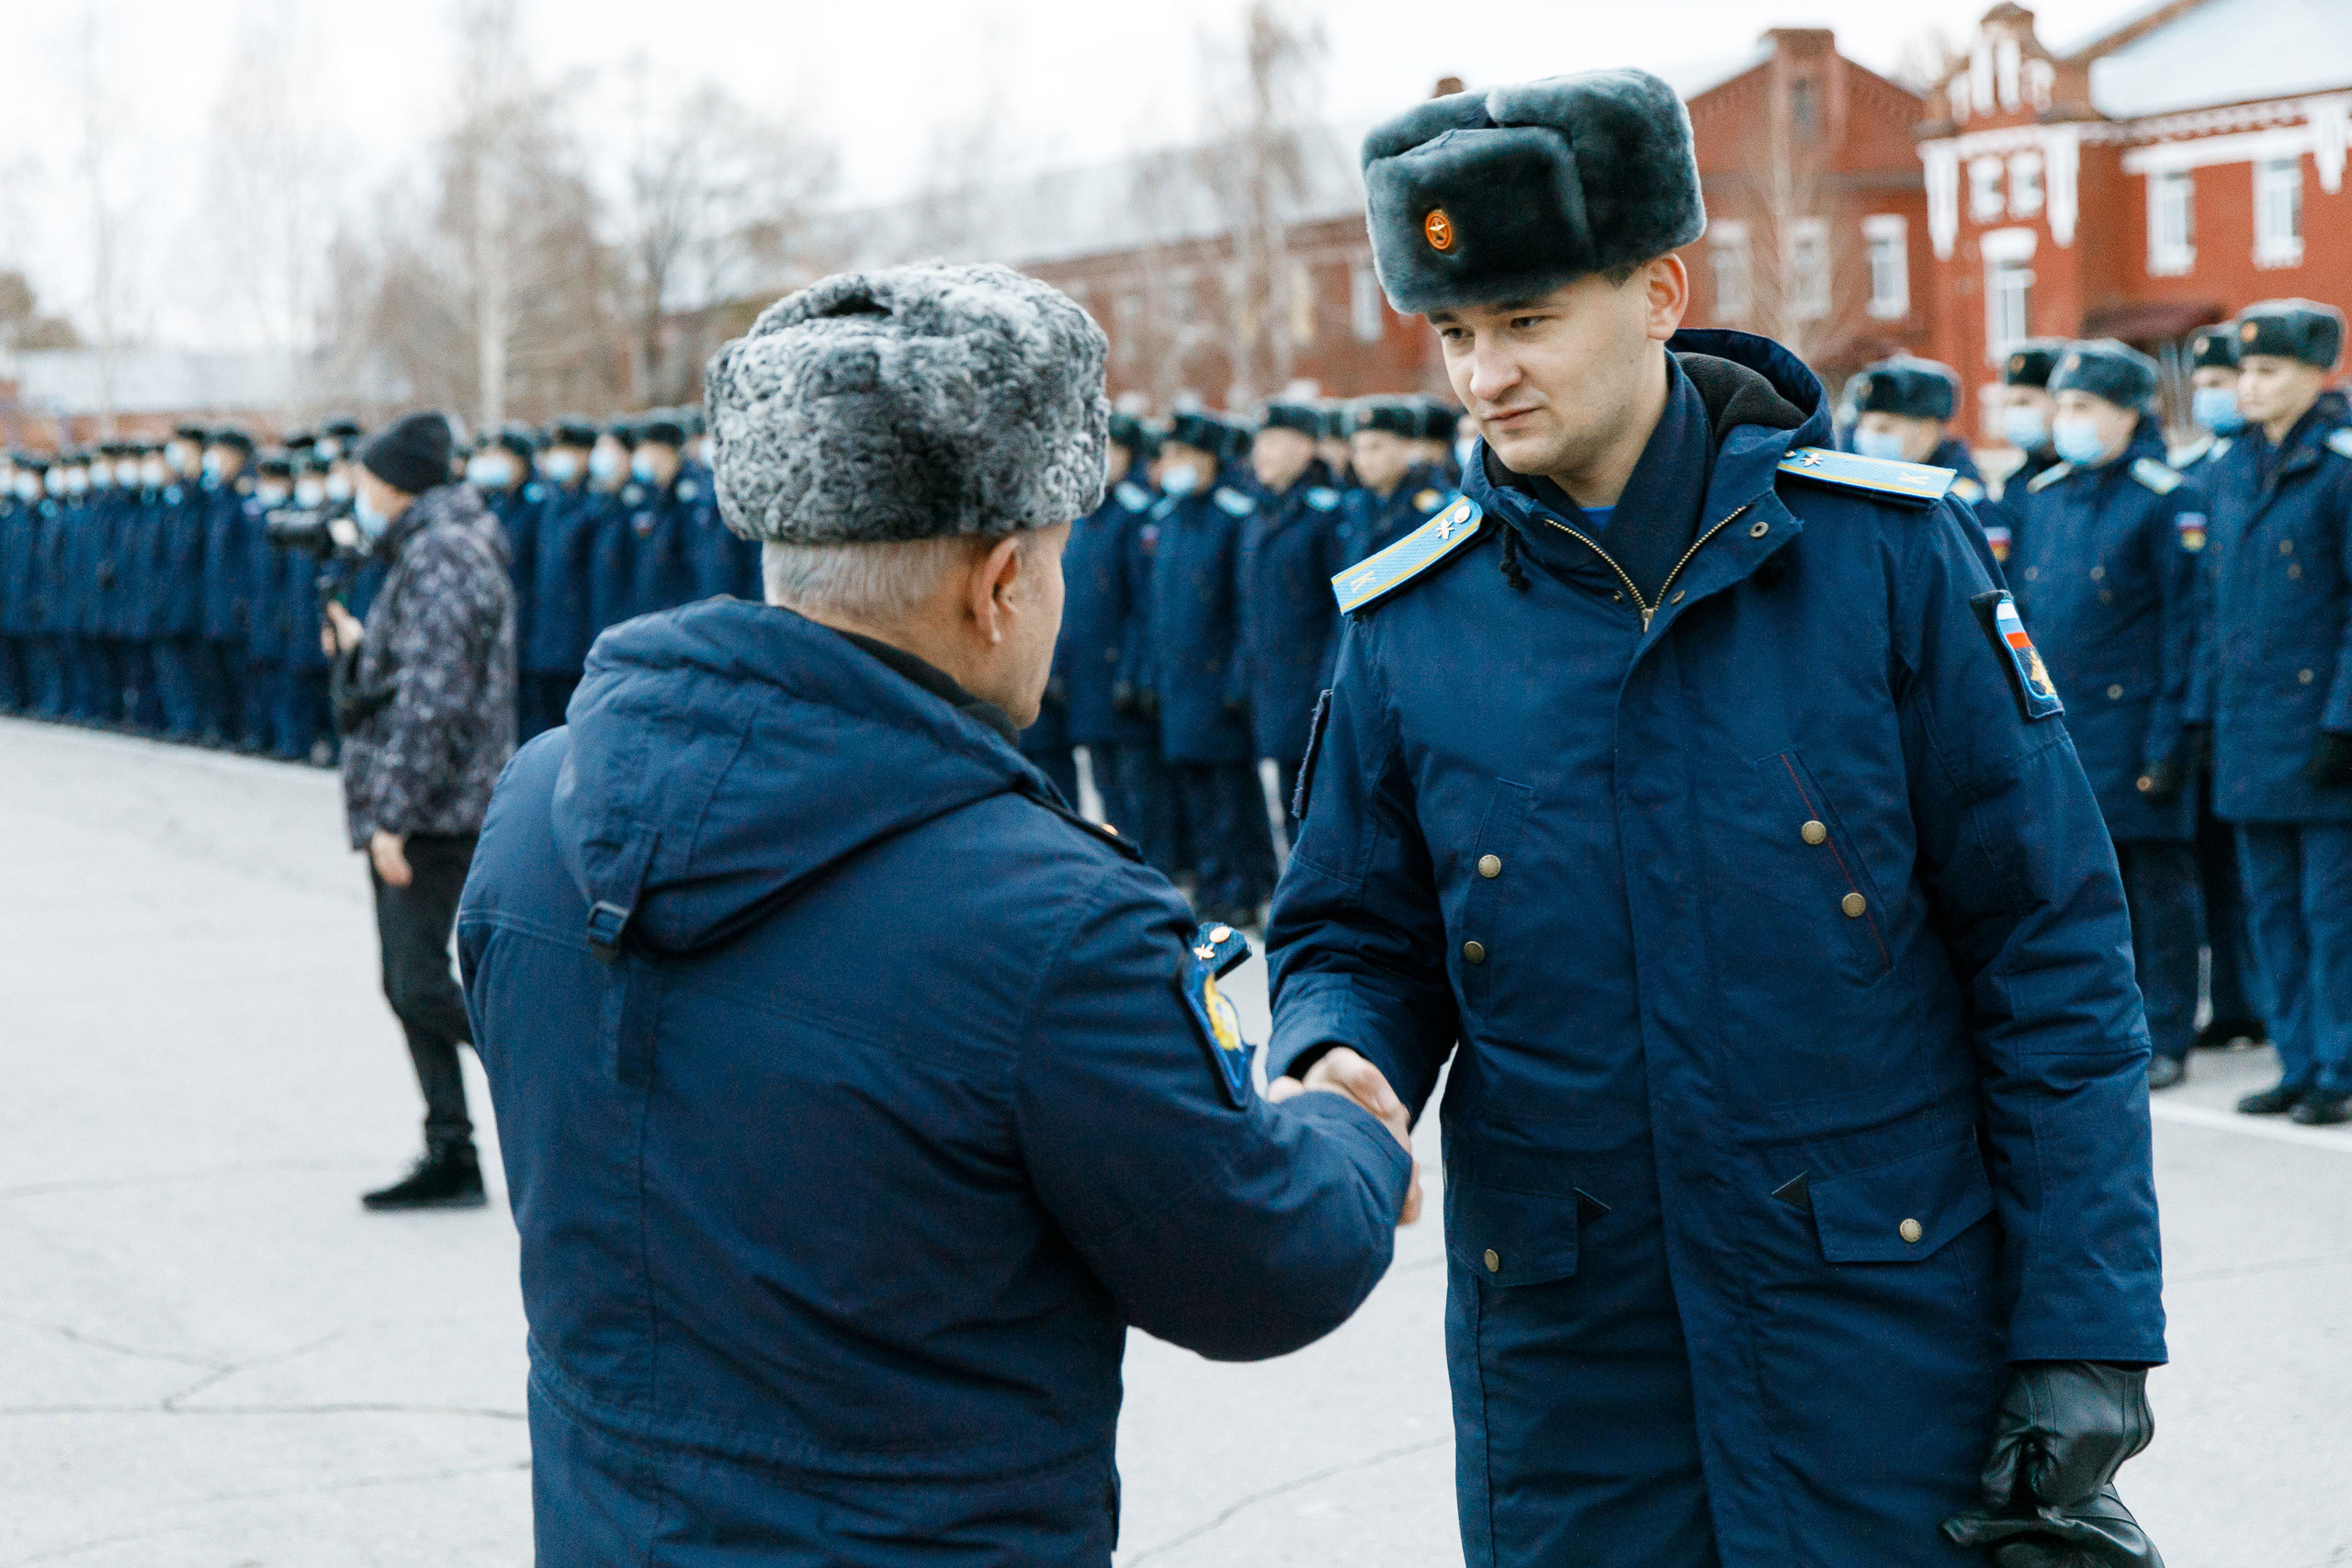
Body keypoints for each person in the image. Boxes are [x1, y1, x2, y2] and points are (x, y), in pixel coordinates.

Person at [1270, 69, 2165, 1568]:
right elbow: (1353, 925)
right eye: (1455, 333)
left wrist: (2086, 1330)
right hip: (1575, 1372)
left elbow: (2051, 958)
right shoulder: (1407, 624)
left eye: (1527, 320)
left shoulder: (1889, 563)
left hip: (1878, 1337)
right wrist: (1339, 1042)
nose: (1483, 376)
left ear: (1660, 290)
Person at [456, 262, 1415, 1562]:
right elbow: (1255, 1260)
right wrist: (1349, 1133)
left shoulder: (533, 810)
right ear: (1001, 580)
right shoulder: (1052, 918)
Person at [326, 411, 516, 1209]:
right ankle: (452, 1150)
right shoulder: (433, 550)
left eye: (366, 482)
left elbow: (435, 706)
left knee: (420, 981)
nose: (357, 497)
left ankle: (551, 1080)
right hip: (431, 800)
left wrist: (393, 818)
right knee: (407, 980)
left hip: (437, 811)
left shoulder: (442, 555)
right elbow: (418, 674)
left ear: (397, 486)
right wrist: (363, 645)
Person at [2011, 341, 2205, 1089]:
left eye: (2083, 406)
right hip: (2065, 733)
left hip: (2138, 731)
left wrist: (2170, 742)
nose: (2068, 421)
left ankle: (2167, 1032)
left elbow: (2182, 630)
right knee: (2078, 895)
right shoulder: (2048, 496)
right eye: (2062, 405)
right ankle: (2102, 1027)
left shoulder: (2162, 499)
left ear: (2130, 412)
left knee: (2154, 892)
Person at [2197, 298, 2352, 1125]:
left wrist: (2344, 722)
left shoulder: (2340, 467)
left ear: (2317, 371)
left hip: (2323, 733)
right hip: (2251, 731)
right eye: (2244, 371)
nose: (2249, 387)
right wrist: (2199, 718)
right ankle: (2297, 1061)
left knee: (2334, 914)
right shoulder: (2228, 470)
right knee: (2272, 913)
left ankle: (2340, 1063)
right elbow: (2210, 612)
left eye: (2268, 370)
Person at [1136, 410, 1278, 926]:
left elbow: (1246, 608)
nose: (1172, 465)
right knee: (1194, 795)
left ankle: (1245, 887)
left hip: (1220, 683)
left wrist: (1241, 678)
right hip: (1179, 682)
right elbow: (1157, 609)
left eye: (1183, 456)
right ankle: (1215, 884)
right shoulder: (1170, 518)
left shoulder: (1231, 517)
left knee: (1230, 796)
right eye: (1169, 455)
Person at [2173, 324, 2267, 1051]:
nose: (2214, 394)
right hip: (2221, 704)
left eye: (2223, 379)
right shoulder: (2204, 469)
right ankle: (2239, 1000)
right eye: (2201, 382)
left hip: (2282, 706)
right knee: (2225, 872)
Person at [1238, 400, 1347, 821]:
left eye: (1275, 443)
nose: (1262, 453)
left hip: (1315, 686)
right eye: (1259, 443)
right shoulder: (1258, 515)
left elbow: (1344, 611)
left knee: (1322, 809)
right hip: (1270, 684)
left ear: (1305, 449)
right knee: (1286, 802)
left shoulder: (1325, 514)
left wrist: (1329, 682)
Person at [1059, 412, 1158, 834]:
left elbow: (1145, 605)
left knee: (1139, 791)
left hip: (1123, 680)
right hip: (1086, 677)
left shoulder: (1135, 514)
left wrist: (1134, 673)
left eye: (1109, 450)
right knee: (1103, 789)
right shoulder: (1081, 518)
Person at [517, 417, 600, 740]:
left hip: (579, 643)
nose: (558, 457)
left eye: (567, 449)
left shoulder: (596, 503)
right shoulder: (550, 501)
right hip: (545, 642)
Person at [1848, 354, 1987, 502]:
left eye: (1884, 428)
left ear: (1927, 431)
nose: (1869, 436)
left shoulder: (1958, 501)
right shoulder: (1858, 483)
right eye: (1862, 425)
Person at [1981, 339, 2065, 567]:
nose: (2013, 414)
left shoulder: (2082, 479)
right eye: (2007, 404)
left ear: (2061, 400)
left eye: (2024, 402)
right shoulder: (2017, 482)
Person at [198, 429, 255, 749]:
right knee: (218, 671)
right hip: (217, 603)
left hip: (238, 605)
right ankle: (224, 728)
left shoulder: (247, 497)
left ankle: (245, 730)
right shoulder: (218, 496)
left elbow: (248, 558)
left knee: (241, 675)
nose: (215, 463)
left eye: (221, 456)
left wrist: (241, 601)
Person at [1340, 397, 1448, 561]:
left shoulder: (1435, 505)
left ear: (1406, 445)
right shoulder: (1354, 504)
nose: (1363, 460)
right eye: (1356, 449)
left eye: (1375, 447)